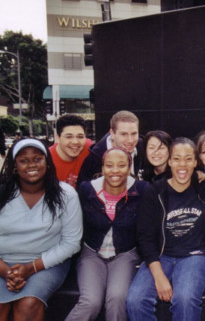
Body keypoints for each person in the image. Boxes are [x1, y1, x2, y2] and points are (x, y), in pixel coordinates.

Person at [126, 137, 205, 321]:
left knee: (185, 299)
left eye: (188, 159)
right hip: (162, 256)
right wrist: (159, 276)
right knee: (136, 301)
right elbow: (145, 237)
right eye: (177, 158)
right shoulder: (155, 191)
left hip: (196, 256)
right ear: (169, 161)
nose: (182, 164)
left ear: (195, 162)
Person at [0, 138, 82, 321]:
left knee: (28, 303)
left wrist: (30, 268)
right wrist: (6, 271)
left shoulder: (66, 194)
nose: (31, 165)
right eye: (23, 160)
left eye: (37, 159)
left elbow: (71, 243)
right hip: (2, 263)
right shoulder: (2, 193)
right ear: (15, 165)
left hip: (46, 264)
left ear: (47, 162)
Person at [65, 147, 147, 321]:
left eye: (121, 165)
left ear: (129, 168)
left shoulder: (142, 190)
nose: (115, 170)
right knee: (90, 302)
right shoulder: (87, 190)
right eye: (109, 165)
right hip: (92, 253)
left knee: (117, 298)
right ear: (102, 168)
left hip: (124, 254)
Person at [77, 110, 145, 187]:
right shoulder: (94, 159)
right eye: (123, 134)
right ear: (112, 133)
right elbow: (83, 190)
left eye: (134, 134)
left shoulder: (144, 148)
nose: (130, 140)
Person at [49, 114, 93, 189]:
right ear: (57, 138)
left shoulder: (90, 149)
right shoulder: (47, 159)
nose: (75, 142)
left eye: (80, 137)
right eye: (69, 137)